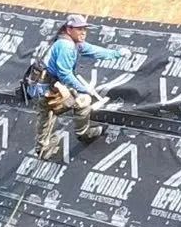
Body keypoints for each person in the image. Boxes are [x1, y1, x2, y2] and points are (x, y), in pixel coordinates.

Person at [34, 15, 129, 157]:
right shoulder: (66, 46)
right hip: (47, 86)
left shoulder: (72, 42)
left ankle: (45, 145)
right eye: (79, 29)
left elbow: (93, 50)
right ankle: (51, 145)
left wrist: (116, 54)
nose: (83, 32)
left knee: (51, 112)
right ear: (69, 29)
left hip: (52, 83)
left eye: (84, 29)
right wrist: (83, 89)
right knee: (62, 107)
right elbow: (65, 74)